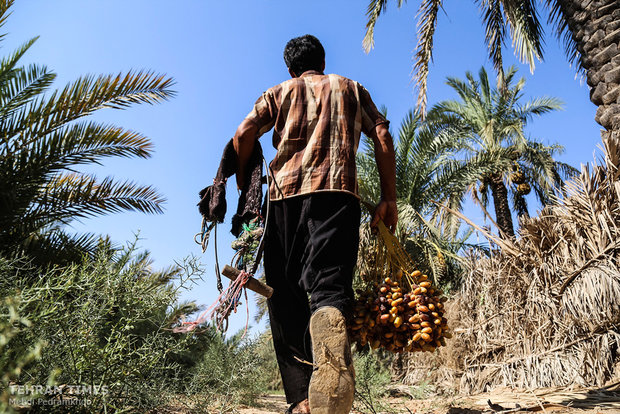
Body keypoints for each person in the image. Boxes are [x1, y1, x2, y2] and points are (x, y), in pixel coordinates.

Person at [232, 34, 397, 414]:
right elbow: (383, 136)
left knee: (283, 294)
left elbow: (243, 135)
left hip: (282, 199)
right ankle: (328, 317)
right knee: (328, 287)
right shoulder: (351, 88)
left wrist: (244, 183)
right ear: (322, 61)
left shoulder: (278, 92)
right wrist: (388, 199)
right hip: (337, 195)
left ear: (291, 69)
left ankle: (303, 399)